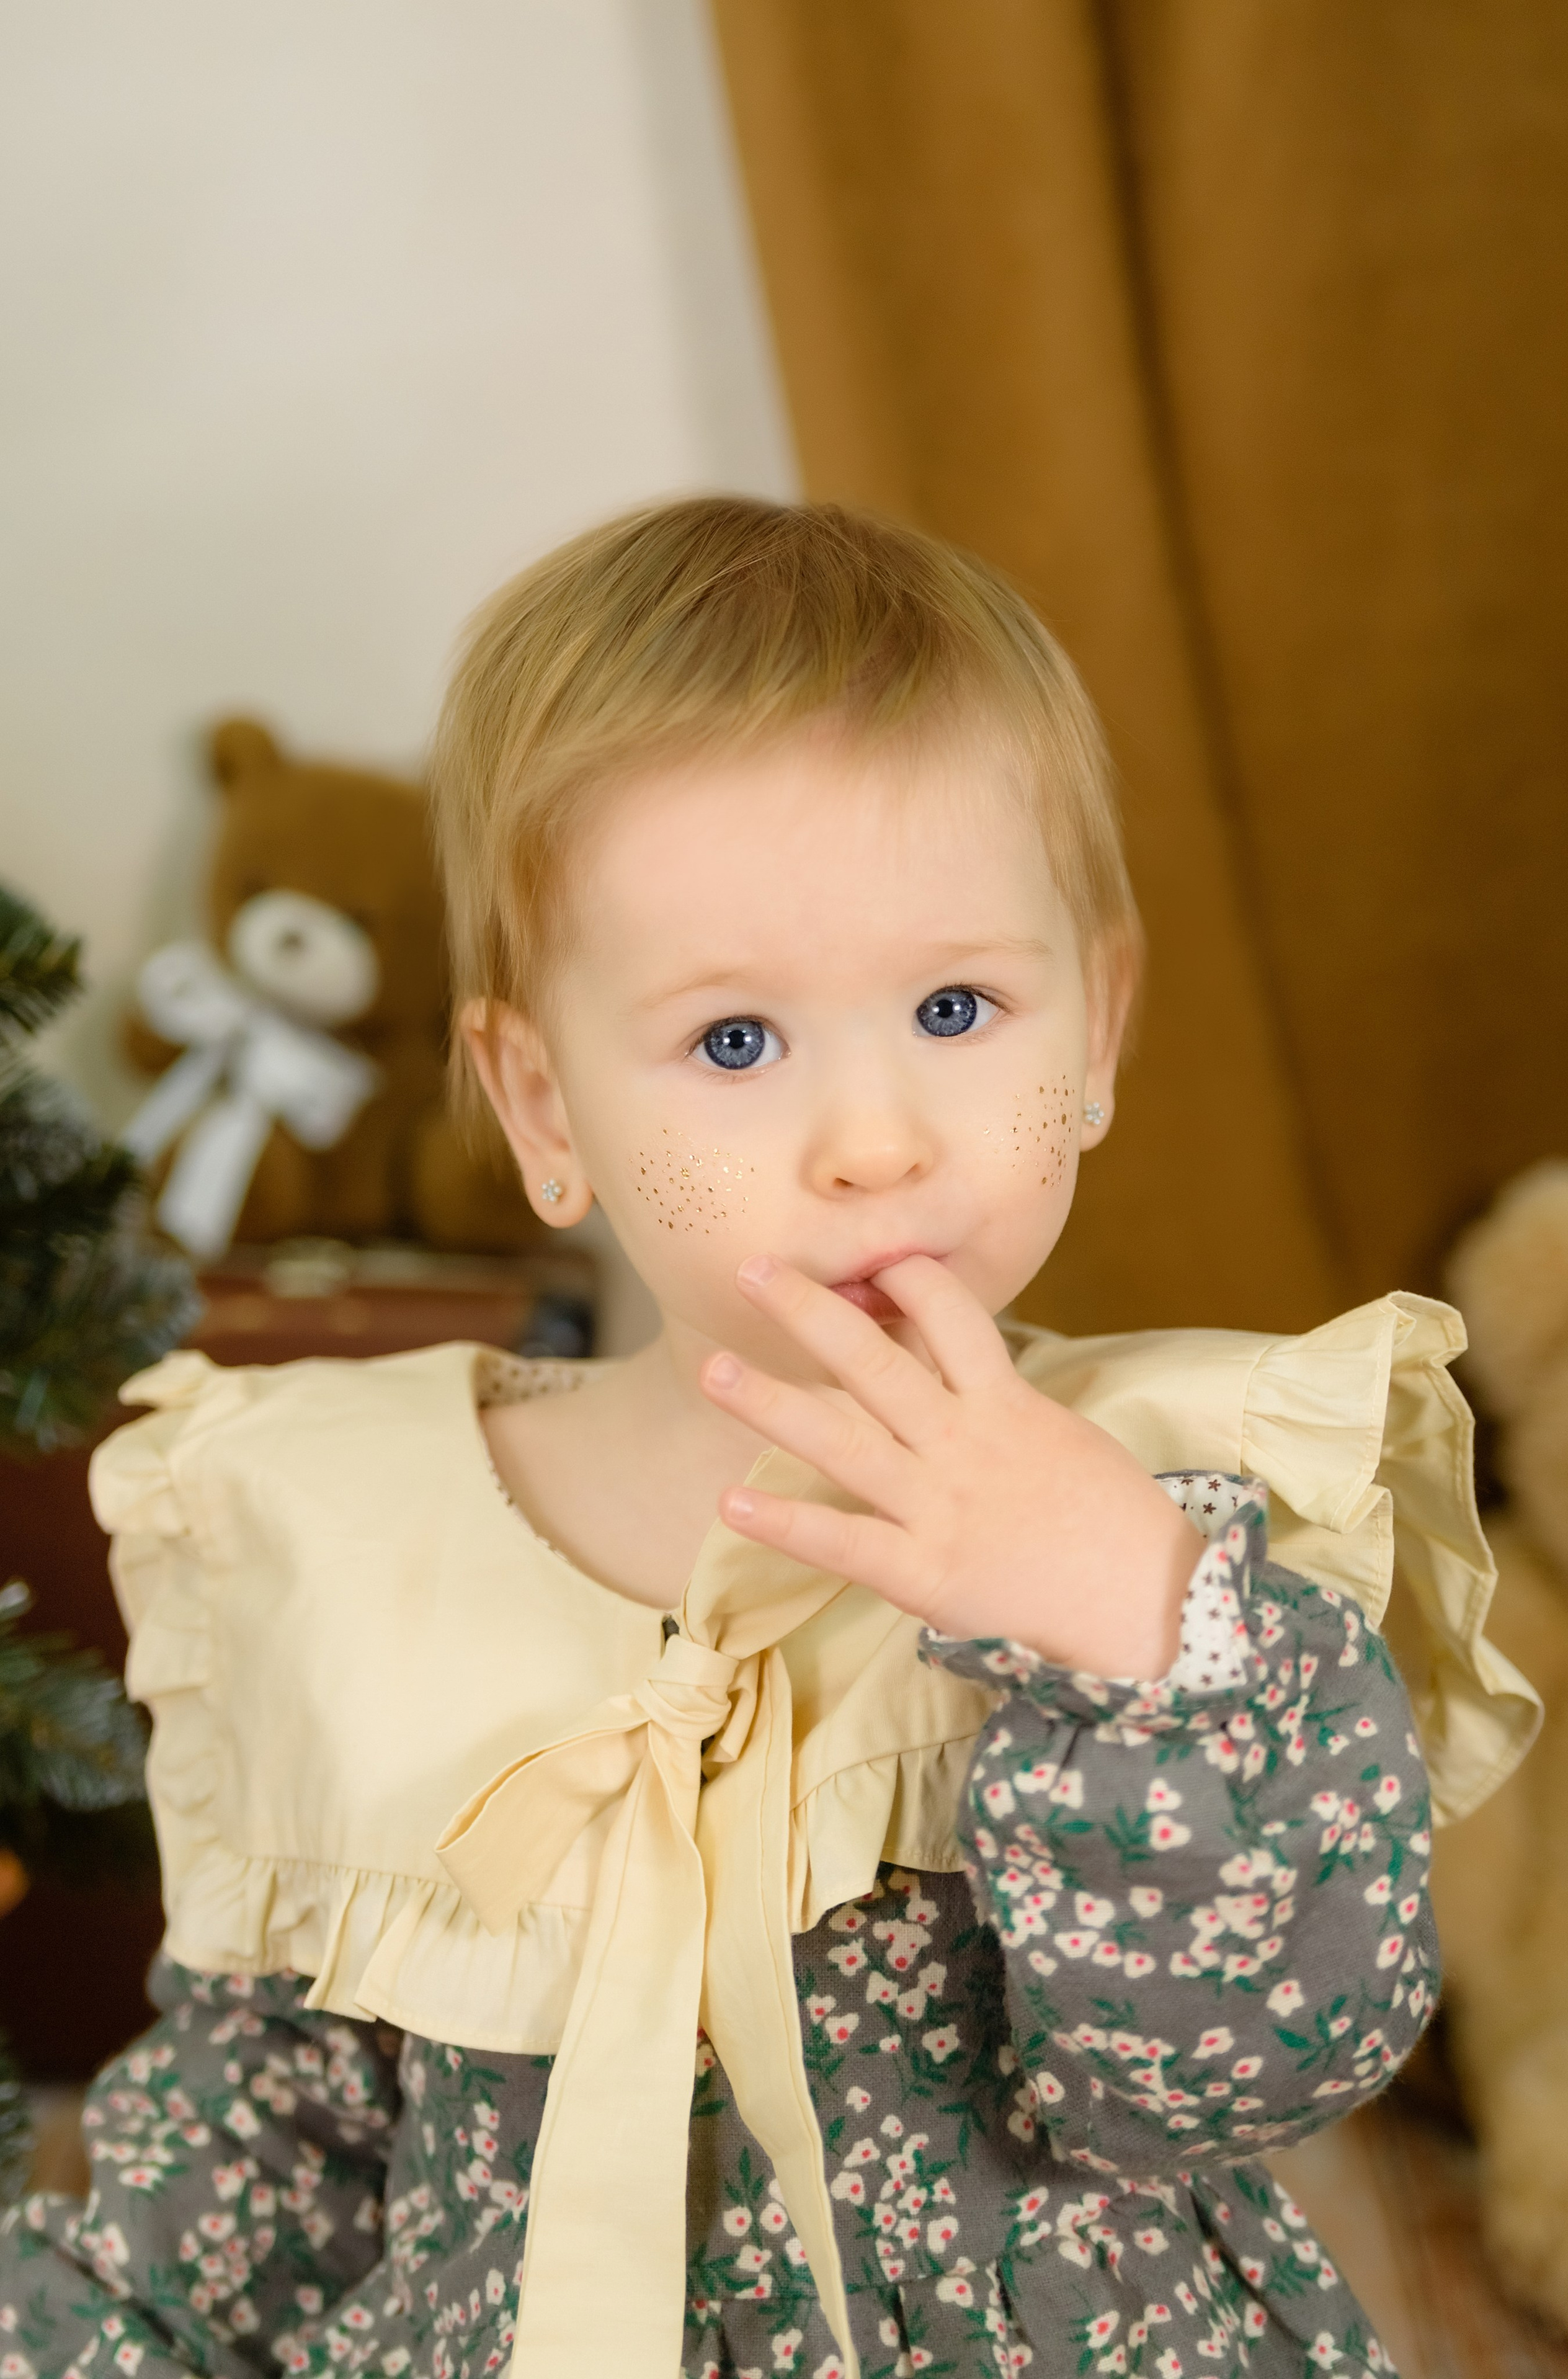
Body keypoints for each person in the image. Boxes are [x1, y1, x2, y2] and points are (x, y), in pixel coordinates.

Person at [4, 499, 1476, 2379]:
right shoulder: (363, 1535)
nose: (875, 1135)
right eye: (733, 1043)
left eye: (957, 1007)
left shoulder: (1178, 1519)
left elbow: (1250, 2068)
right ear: (545, 1101)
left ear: (1094, 1025)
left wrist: (1141, 1643)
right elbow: (257, 2148)